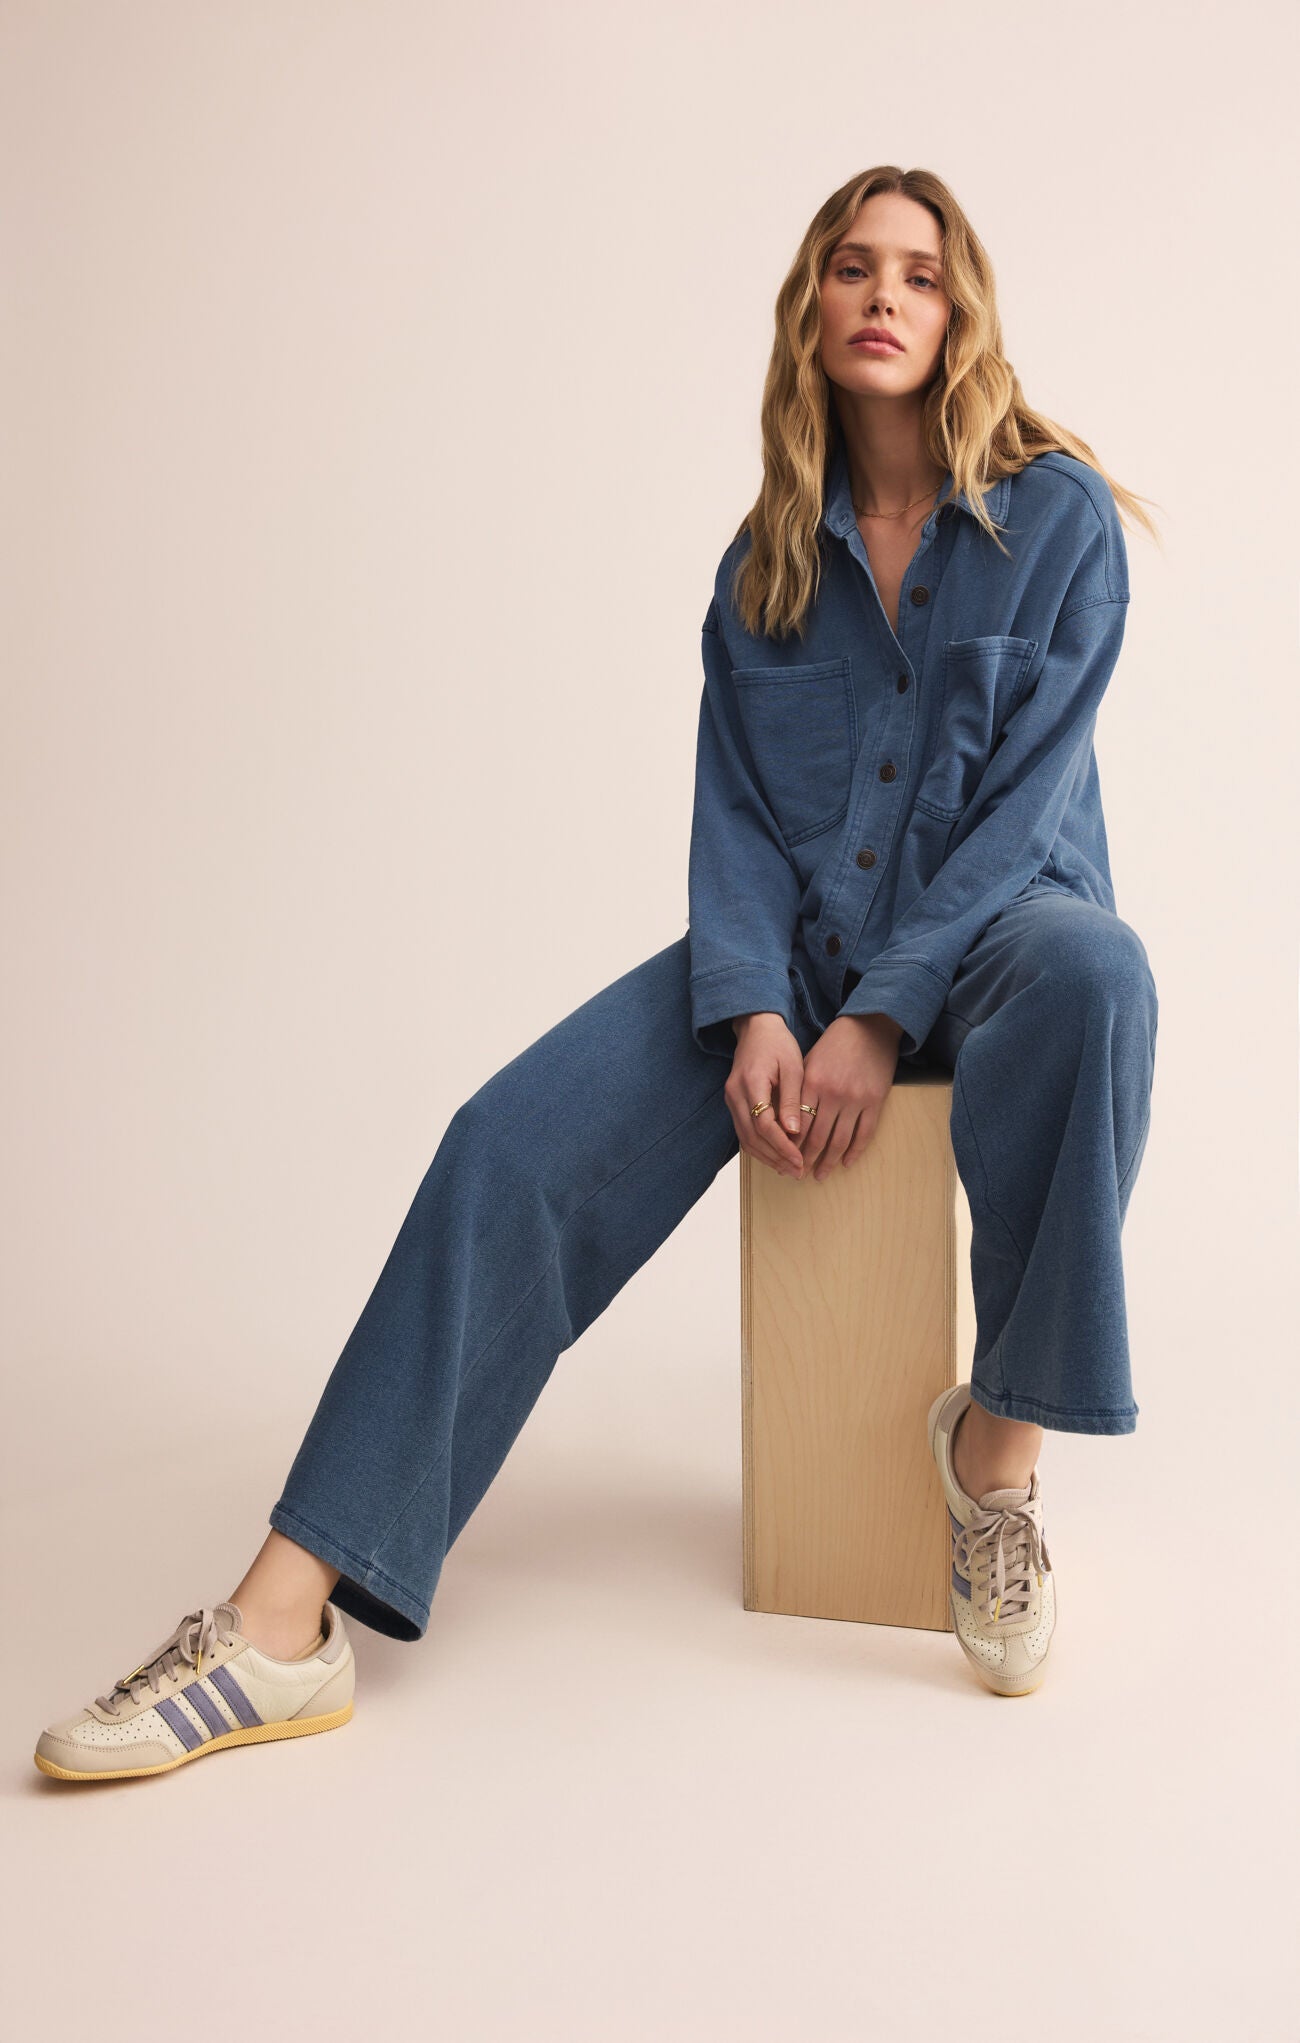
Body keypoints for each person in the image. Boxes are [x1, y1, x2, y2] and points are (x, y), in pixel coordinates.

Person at [33, 165, 1161, 1777]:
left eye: (921, 271)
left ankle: (996, 1467)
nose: (887, 296)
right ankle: (280, 1627)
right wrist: (762, 1003)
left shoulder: (1056, 520)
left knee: (1102, 976)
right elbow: (735, 825)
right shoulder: (760, 564)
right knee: (506, 1147)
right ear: (814, 310)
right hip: (793, 965)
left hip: (998, 943)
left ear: (962, 309)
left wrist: (885, 1016)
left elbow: (1027, 809)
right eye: (853, 268)